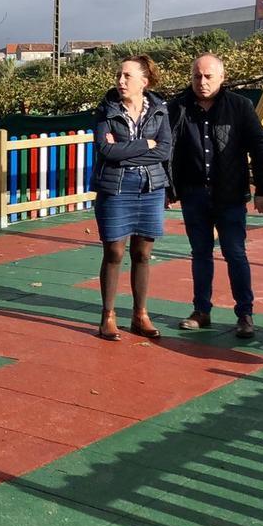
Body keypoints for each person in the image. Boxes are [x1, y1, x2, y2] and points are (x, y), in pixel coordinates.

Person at [167, 55, 263, 338]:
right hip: (194, 194)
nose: (202, 82)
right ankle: (201, 310)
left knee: (235, 253)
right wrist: (169, 189)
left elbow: (259, 148)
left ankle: (245, 314)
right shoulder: (177, 107)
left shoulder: (240, 106)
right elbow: (168, 150)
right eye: (197, 77)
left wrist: (262, 189)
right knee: (200, 253)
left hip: (230, 194)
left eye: (208, 77)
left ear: (222, 77)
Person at [92, 55, 172, 341]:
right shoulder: (107, 110)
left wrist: (125, 149)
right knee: (114, 252)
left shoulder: (160, 109)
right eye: (119, 75)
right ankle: (108, 316)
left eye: (127, 76)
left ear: (144, 81)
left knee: (143, 254)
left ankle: (140, 315)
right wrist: (143, 145)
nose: (120, 80)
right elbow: (105, 151)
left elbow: (164, 151)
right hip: (116, 188)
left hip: (150, 187)